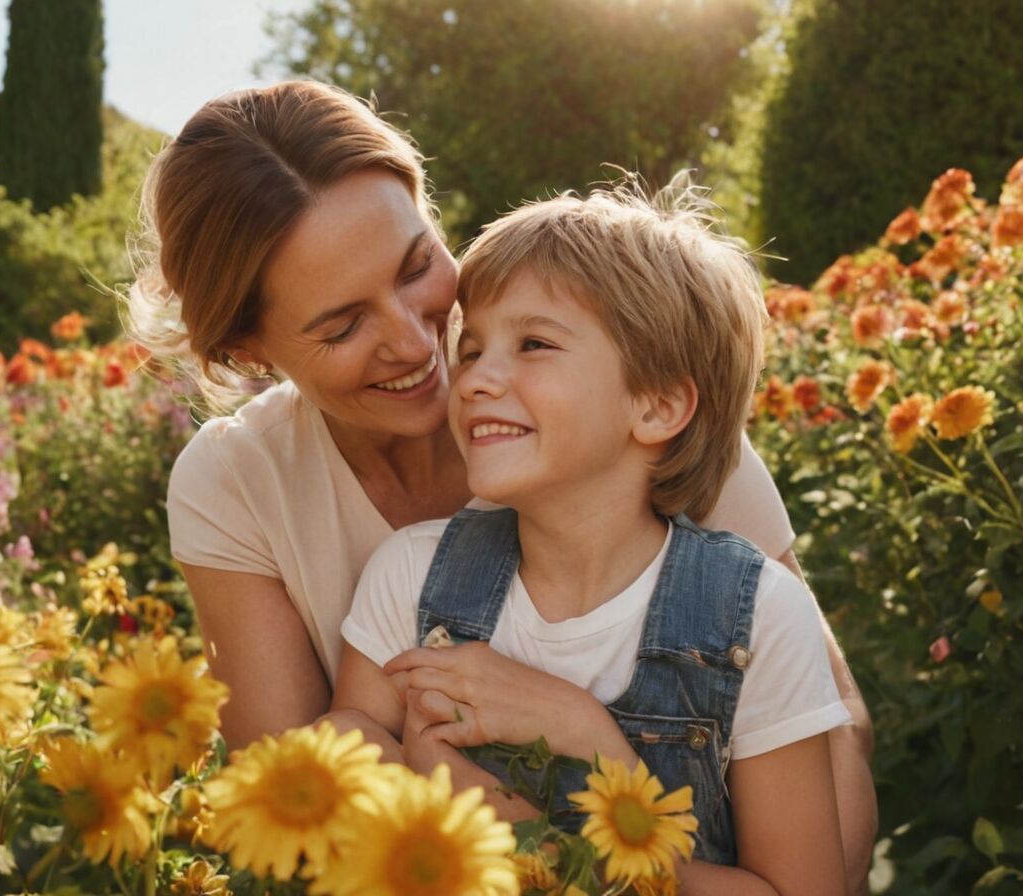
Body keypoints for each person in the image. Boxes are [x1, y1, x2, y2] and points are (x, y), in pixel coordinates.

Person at [125, 80, 874, 891]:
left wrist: (583, 747)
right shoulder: (249, 484)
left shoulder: (625, 415)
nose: (422, 347)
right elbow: (299, 798)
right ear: (247, 347)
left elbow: (838, 743)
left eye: (417, 267)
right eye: (343, 326)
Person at [331, 180, 850, 892]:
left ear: (658, 404)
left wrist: (585, 755)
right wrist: (395, 769)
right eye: (473, 349)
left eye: (534, 343)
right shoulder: (412, 574)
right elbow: (345, 738)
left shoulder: (758, 614)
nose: (477, 378)